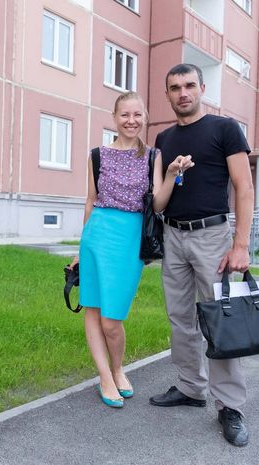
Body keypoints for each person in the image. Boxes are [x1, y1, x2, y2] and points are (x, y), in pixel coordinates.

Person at [148, 63, 254, 447]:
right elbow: (160, 198)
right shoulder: (163, 138)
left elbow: (244, 186)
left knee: (219, 321)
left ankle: (230, 406)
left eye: (189, 85)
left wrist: (240, 244)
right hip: (174, 235)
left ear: (202, 88)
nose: (183, 93)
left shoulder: (225, 129)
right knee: (180, 318)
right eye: (175, 87)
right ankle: (191, 387)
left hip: (212, 236)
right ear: (167, 94)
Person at [67, 91, 150, 408]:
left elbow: (157, 202)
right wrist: (81, 247)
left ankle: (117, 368)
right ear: (114, 117)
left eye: (137, 114)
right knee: (92, 308)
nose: (131, 120)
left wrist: (172, 175)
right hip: (97, 236)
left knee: (112, 320)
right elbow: (90, 200)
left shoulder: (152, 156)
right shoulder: (97, 155)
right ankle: (105, 376)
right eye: (125, 114)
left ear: (144, 117)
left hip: (130, 240)